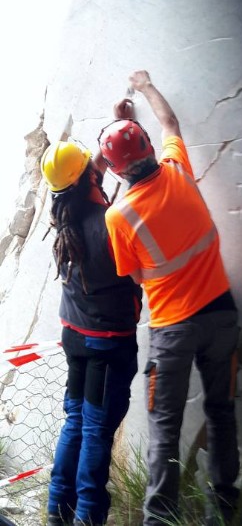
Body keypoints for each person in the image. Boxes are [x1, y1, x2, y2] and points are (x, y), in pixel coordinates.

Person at [98, 70, 240, 526]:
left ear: (118, 170)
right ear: (149, 149)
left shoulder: (119, 217)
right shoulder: (179, 171)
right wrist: (144, 86)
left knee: (164, 430)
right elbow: (171, 123)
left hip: (172, 332)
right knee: (222, 411)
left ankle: (159, 521)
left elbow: (136, 276)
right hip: (221, 312)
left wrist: (113, 127)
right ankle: (225, 507)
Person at [40, 140, 142, 526]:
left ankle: (57, 509)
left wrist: (101, 149)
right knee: (97, 429)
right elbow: (141, 275)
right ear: (87, 179)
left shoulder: (63, 215)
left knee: (76, 420)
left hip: (75, 338)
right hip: (106, 345)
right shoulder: (110, 225)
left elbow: (83, 177)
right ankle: (87, 516)